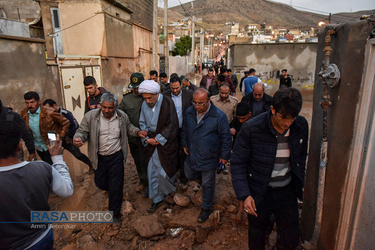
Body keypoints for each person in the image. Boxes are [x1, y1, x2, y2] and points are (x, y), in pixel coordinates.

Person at [231, 87, 309, 249]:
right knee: (257, 235)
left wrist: (299, 183)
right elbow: (238, 163)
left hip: (287, 192)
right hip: (259, 192)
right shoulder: (252, 129)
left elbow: (300, 157)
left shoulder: (300, 126)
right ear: (273, 110)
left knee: (290, 238)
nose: (287, 123)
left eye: (292, 118)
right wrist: (245, 195)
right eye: (283, 117)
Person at [73, 92, 147, 228]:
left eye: (110, 108)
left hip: (116, 156)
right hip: (98, 157)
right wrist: (79, 138)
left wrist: (137, 132)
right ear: (101, 105)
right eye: (104, 107)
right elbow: (82, 131)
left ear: (115, 107)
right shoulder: (91, 116)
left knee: (116, 187)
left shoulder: (122, 117)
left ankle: (115, 215)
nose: (107, 110)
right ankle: (109, 189)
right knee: (100, 183)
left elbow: (129, 127)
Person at [0, 120, 73, 250]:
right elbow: (66, 190)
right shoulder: (42, 168)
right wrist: (57, 158)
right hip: (43, 237)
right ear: (19, 145)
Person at [181, 88, 232, 222]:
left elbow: (226, 138)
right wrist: (185, 143)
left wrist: (224, 156)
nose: (197, 106)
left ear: (209, 101)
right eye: (195, 103)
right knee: (189, 173)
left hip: (210, 155)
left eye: (201, 103)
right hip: (193, 152)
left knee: (208, 183)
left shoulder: (219, 116)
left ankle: (206, 208)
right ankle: (200, 183)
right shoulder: (189, 112)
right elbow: (185, 129)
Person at [138, 80, 179, 213]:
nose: (148, 101)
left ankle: (169, 194)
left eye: (150, 98)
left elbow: (172, 124)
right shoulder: (144, 104)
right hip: (150, 145)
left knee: (164, 173)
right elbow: (142, 123)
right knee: (152, 173)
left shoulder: (168, 102)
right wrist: (146, 139)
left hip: (166, 145)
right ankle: (157, 200)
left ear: (157, 94)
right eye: (145, 98)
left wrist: (159, 139)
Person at [118, 73, 148, 196]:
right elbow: (119, 115)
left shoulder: (148, 96)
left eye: (138, 87)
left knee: (148, 161)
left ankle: (150, 184)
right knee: (138, 161)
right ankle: (142, 180)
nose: (136, 90)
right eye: (134, 87)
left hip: (147, 136)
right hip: (133, 137)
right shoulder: (126, 99)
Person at [21, 91, 69, 165]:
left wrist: (61, 137)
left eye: (32, 102)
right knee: (48, 166)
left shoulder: (49, 112)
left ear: (39, 101)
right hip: (39, 147)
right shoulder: (24, 114)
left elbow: (65, 122)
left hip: (51, 145)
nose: (30, 105)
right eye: (27, 103)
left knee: (57, 166)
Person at [162, 76, 194, 185]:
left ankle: (184, 176)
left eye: (177, 88)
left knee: (185, 152)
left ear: (181, 85)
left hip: (185, 130)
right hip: (170, 131)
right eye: (172, 88)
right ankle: (173, 174)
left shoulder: (189, 95)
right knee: (172, 152)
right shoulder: (164, 96)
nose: (175, 90)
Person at [42, 99, 92, 168]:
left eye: (48, 108)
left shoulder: (65, 113)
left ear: (54, 105)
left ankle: (91, 165)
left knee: (77, 154)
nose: (47, 110)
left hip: (67, 139)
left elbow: (75, 125)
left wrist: (68, 136)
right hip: (56, 140)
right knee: (55, 157)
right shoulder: (47, 116)